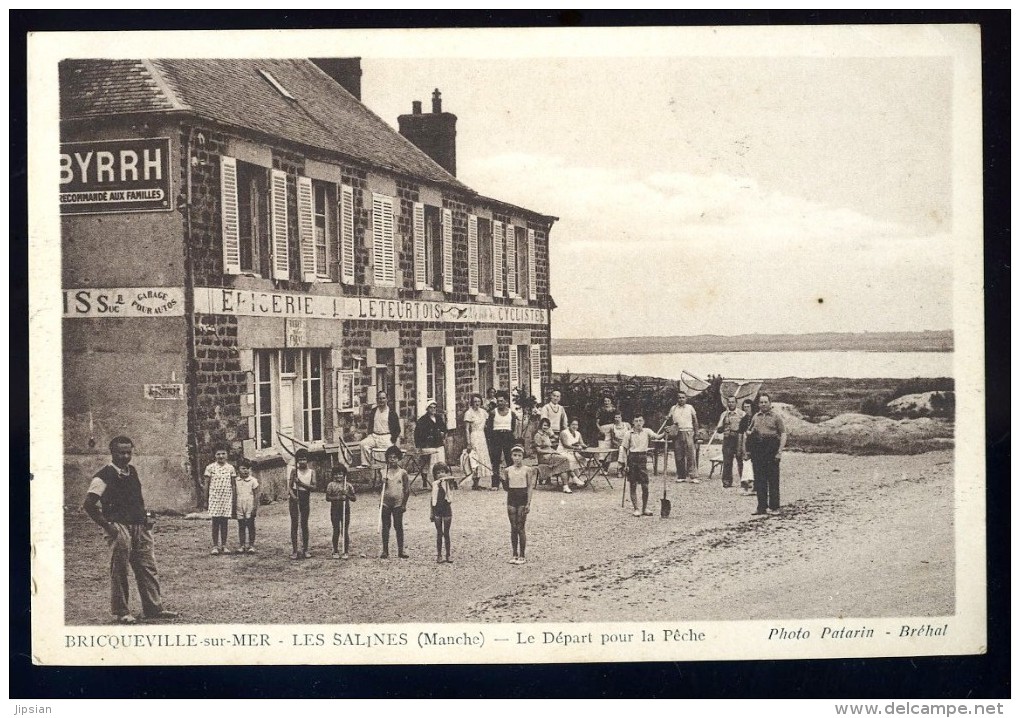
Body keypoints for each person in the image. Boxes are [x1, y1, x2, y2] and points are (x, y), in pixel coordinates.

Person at [81, 436, 178, 624]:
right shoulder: (103, 475)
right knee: (120, 569)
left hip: (139, 526)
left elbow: (137, 500)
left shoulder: (131, 471)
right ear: (112, 453)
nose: (125, 456)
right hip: (118, 527)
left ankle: (153, 608)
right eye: (121, 453)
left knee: (148, 567)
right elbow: (89, 505)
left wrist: (146, 518)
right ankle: (122, 611)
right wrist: (109, 527)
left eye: (128, 452)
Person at [747, 393, 788, 517]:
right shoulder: (756, 416)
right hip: (758, 450)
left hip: (772, 449)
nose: (763, 404)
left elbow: (783, 434)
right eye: (761, 402)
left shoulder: (776, 417)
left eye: (765, 402)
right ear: (758, 404)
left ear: (770, 403)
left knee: (773, 479)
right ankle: (761, 507)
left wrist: (779, 451)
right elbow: (749, 431)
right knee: (759, 480)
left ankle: (774, 507)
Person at [621, 416, 664, 517]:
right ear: (633, 422)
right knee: (633, 484)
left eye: (640, 421)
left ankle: (645, 508)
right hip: (632, 458)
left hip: (643, 458)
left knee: (645, 485)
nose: (638, 423)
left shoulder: (647, 431)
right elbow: (624, 449)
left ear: (643, 422)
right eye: (636, 421)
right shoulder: (628, 434)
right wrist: (625, 464)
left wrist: (665, 433)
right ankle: (636, 508)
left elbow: (657, 437)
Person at [501, 444, 537, 564]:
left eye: (519, 455)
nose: (517, 458)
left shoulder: (527, 469)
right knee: (513, 527)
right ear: (511, 456)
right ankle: (514, 554)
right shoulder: (507, 470)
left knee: (521, 527)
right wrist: (502, 480)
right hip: (511, 498)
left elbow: (530, 487)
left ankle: (522, 555)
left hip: (522, 498)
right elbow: (506, 488)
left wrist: (528, 503)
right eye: (514, 455)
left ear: (523, 457)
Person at [203, 445, 238, 555]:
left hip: (226, 497)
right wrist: (206, 499)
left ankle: (224, 545)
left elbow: (233, 485)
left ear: (227, 455)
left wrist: (234, 499)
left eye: (223, 453)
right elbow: (206, 484)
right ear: (214, 455)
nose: (221, 456)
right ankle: (215, 546)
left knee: (224, 522)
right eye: (218, 454)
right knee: (215, 522)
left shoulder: (230, 468)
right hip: (215, 497)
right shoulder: (210, 468)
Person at [379, 445, 411, 559]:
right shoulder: (383, 471)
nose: (392, 459)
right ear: (387, 458)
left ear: (399, 458)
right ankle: (385, 551)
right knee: (385, 526)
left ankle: (401, 550)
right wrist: (382, 482)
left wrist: (404, 504)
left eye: (395, 457)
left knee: (398, 526)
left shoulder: (403, 472)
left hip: (398, 502)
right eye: (390, 457)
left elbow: (407, 490)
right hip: (385, 502)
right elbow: (379, 489)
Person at [485, 391, 518, 490]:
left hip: (507, 436)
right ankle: (495, 484)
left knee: (509, 460)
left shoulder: (511, 413)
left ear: (506, 401)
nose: (500, 403)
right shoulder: (493, 412)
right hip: (496, 436)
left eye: (502, 401)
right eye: (498, 401)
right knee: (495, 461)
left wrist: (512, 437)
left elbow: (513, 427)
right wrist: (491, 440)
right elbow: (489, 428)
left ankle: (511, 483)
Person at [359, 390, 401, 466]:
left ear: (387, 399)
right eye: (379, 398)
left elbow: (397, 429)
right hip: (374, 436)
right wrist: (370, 434)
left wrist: (393, 439)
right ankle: (367, 464)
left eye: (383, 398)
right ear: (377, 399)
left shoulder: (391, 412)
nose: (381, 400)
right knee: (363, 444)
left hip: (386, 437)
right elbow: (370, 424)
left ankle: (388, 471)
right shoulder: (374, 411)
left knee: (388, 455)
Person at [534, 417, 574, 493]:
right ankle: (571, 480)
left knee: (563, 461)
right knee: (564, 459)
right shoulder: (538, 435)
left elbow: (551, 444)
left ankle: (566, 486)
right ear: (540, 425)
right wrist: (551, 452)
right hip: (543, 458)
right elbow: (538, 450)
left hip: (550, 456)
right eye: (544, 425)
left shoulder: (546, 435)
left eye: (547, 426)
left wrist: (554, 451)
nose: (546, 427)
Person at [288, 449, 316, 559]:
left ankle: (305, 549)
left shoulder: (311, 472)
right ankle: (295, 550)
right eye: (300, 459)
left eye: (304, 459)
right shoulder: (294, 471)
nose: (302, 462)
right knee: (294, 523)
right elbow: (289, 487)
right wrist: (293, 496)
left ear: (307, 460)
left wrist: (301, 484)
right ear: (297, 460)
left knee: (304, 523)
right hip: (294, 498)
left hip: (305, 497)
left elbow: (313, 487)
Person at [325, 464, 357, 559]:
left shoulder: (348, 485)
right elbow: (327, 498)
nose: (338, 476)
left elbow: (354, 498)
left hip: (345, 510)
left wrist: (347, 494)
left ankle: (345, 551)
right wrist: (338, 497)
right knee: (336, 530)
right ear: (333, 475)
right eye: (336, 474)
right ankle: (335, 550)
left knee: (345, 530)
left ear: (344, 475)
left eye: (340, 474)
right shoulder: (331, 485)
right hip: (335, 510)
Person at [668, 392, 700, 483]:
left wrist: (696, 433)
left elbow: (695, 421)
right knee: (679, 455)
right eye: (679, 398)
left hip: (688, 432)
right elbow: (669, 420)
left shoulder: (690, 407)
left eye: (683, 397)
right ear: (677, 399)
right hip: (677, 433)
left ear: (686, 398)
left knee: (690, 454)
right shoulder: (673, 408)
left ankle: (693, 476)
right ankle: (681, 475)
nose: (681, 399)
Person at [463, 393, 492, 490]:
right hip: (474, 436)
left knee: (482, 458)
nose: (477, 403)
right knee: (475, 458)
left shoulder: (483, 412)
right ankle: (474, 482)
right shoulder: (469, 413)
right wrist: (468, 442)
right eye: (475, 401)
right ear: (472, 402)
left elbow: (488, 423)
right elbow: (467, 429)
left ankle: (478, 482)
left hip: (482, 436)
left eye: (478, 401)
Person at [716, 396, 745, 488]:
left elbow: (745, 427)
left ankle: (744, 481)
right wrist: (723, 425)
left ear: (736, 403)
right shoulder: (724, 414)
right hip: (728, 439)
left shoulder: (742, 414)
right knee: (727, 461)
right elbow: (719, 429)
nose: (731, 404)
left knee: (740, 460)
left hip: (738, 438)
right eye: (729, 402)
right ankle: (727, 481)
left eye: (733, 402)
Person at [430, 462, 456, 564]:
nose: (440, 474)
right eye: (438, 473)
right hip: (437, 510)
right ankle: (439, 555)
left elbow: (452, 483)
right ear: (435, 475)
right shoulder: (434, 484)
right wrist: (431, 513)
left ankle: (448, 554)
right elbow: (432, 499)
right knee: (439, 533)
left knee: (446, 533)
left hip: (446, 509)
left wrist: (449, 479)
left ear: (446, 473)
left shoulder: (448, 483)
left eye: (442, 472)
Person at [413, 400, 447, 478]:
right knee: (428, 463)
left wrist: (443, 433)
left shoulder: (438, 418)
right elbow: (417, 434)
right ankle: (427, 480)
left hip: (438, 444)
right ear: (427, 409)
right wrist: (419, 446)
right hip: (428, 445)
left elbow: (444, 428)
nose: (433, 409)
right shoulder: (422, 420)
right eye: (431, 408)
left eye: (434, 408)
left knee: (440, 460)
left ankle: (440, 477)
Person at [235, 458, 260, 553]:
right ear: (238, 469)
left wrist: (255, 507)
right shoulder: (236, 480)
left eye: (248, 468)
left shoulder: (253, 480)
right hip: (239, 503)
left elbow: (256, 494)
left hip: (249, 503)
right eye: (243, 468)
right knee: (241, 525)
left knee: (250, 524)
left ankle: (251, 545)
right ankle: (242, 545)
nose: (246, 471)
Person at [558, 418, 587, 486]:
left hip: (573, 452)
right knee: (569, 460)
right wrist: (576, 447)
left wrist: (584, 445)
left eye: (576, 425)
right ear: (569, 425)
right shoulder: (564, 432)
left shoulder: (578, 433)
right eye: (573, 424)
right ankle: (575, 478)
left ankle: (578, 478)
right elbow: (565, 445)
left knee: (582, 459)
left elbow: (581, 443)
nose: (575, 426)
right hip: (563, 452)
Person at [607, 412, 632, 477]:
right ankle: (621, 469)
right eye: (616, 417)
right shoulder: (613, 427)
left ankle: (620, 469)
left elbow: (632, 435)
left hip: (629, 442)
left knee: (624, 449)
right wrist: (618, 444)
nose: (617, 419)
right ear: (614, 418)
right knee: (621, 449)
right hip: (618, 444)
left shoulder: (627, 425)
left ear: (621, 418)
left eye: (619, 417)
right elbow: (612, 439)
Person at [738, 398, 755, 495]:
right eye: (744, 407)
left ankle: (756, 487)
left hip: (756, 445)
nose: (746, 409)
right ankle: (746, 486)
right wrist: (740, 448)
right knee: (746, 465)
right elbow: (741, 434)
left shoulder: (756, 417)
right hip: (747, 444)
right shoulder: (744, 420)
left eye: (748, 407)